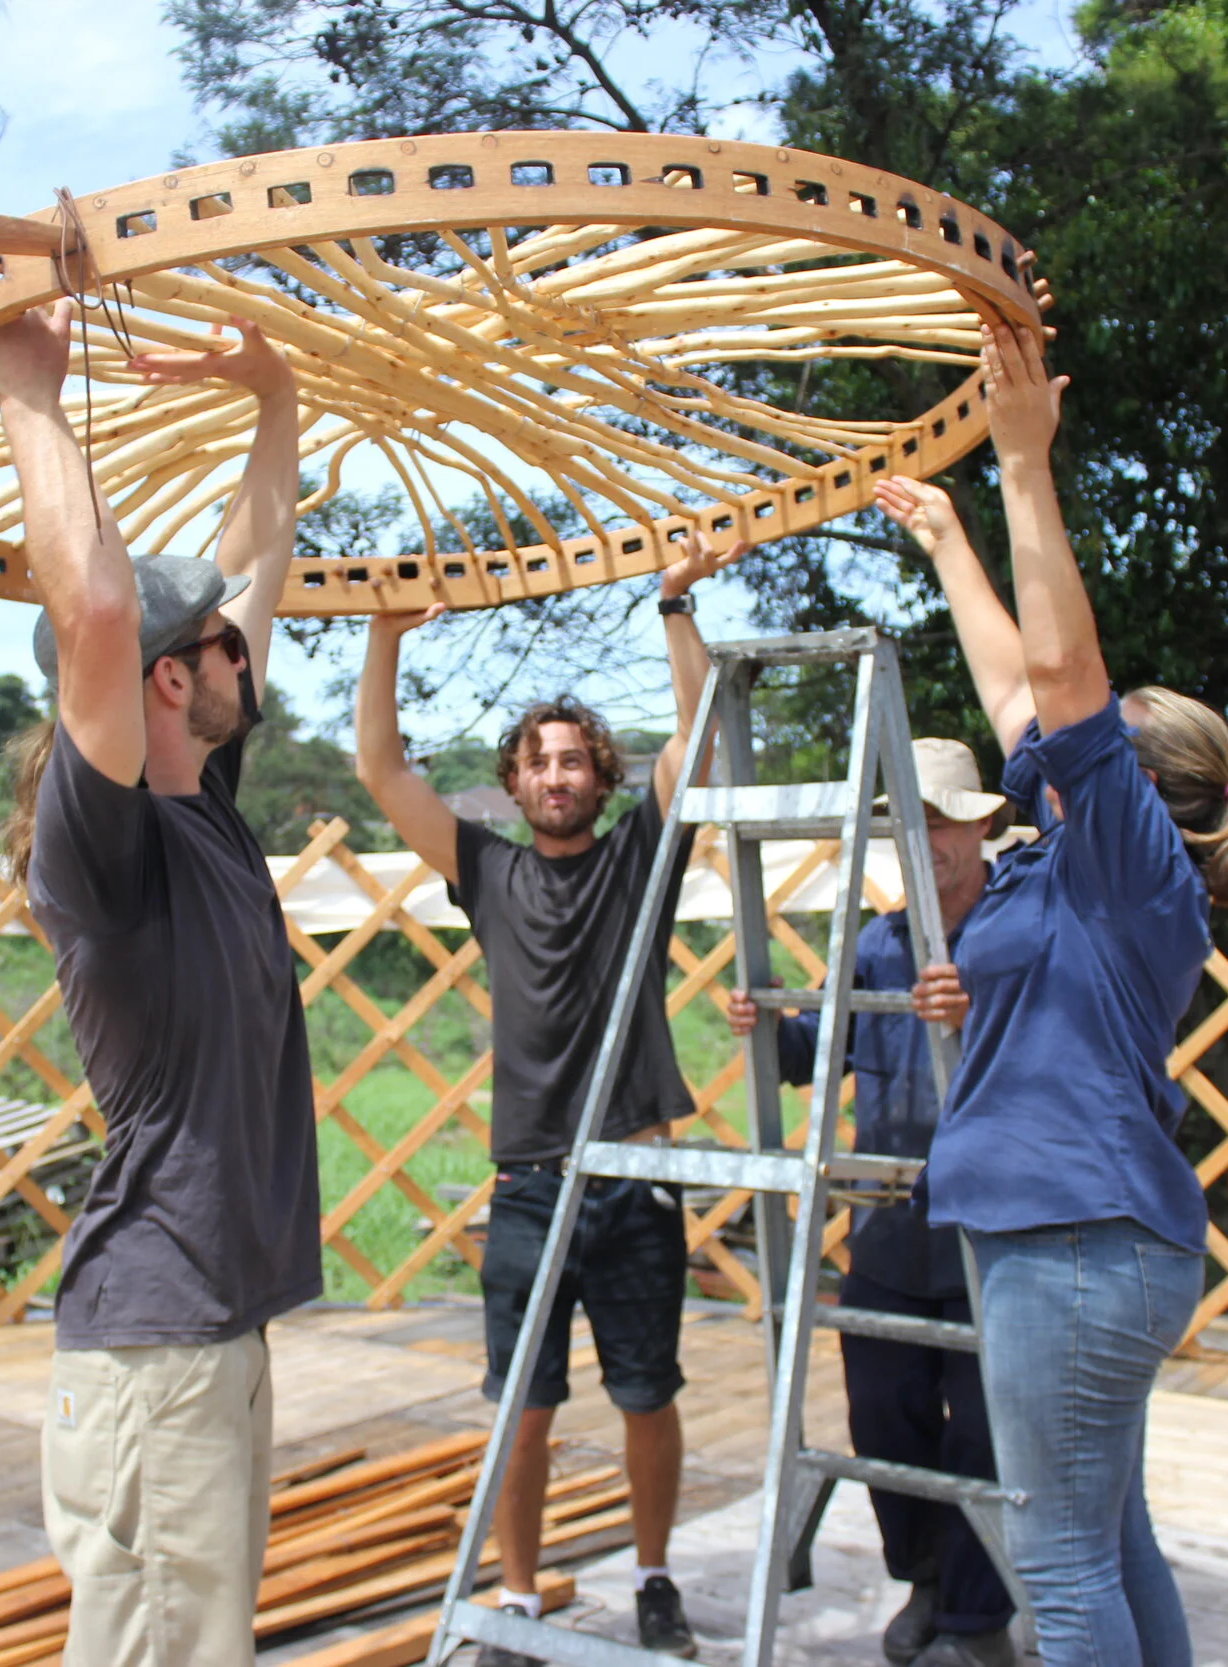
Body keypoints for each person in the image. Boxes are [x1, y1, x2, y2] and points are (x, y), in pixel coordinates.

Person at [873, 317, 1228, 1666]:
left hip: (1074, 1237)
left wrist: (1025, 462)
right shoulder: (1062, 858)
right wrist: (944, 534)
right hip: (1080, 1235)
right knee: (1115, 1537)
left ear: (1126, 778)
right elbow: (1015, 681)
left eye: (1073, 740)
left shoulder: (1130, 867)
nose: (1037, 741)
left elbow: (1054, 675)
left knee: (1056, 1557)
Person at [0, 298, 315, 1667]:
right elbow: (90, 605)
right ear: (161, 679)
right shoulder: (106, 851)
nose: (244, 648)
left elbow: (256, 553)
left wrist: (274, 399)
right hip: (157, 1341)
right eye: (218, 644)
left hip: (206, 1329)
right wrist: (31, 392)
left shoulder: (202, 799)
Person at [352, 538, 743, 1664]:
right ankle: (518, 1594)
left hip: (631, 1171)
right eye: (540, 761)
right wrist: (382, 643)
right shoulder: (488, 871)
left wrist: (674, 602)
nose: (559, 775)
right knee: (521, 1404)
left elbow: (698, 738)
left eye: (575, 759)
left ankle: (655, 1577)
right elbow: (383, 773)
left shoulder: (640, 858)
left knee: (645, 1393)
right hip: (527, 1181)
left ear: (598, 777)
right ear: (514, 784)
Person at [723, 738, 1017, 1667]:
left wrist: (975, 1011)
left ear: (978, 828)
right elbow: (820, 1054)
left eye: (943, 821)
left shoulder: (1013, 932)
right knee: (882, 1412)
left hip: (993, 1227)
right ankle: (926, 1577)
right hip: (890, 1225)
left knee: (980, 1425)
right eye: (910, 823)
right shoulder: (878, 942)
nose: (927, 840)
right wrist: (767, 1020)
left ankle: (977, 1619)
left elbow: (1052, 1044)